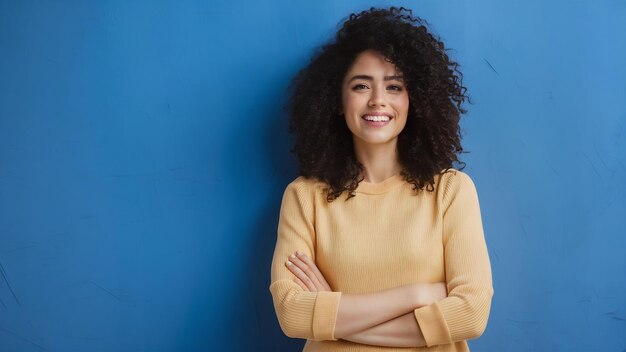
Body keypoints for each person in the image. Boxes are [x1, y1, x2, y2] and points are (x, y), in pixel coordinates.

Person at [269, 7, 493, 351]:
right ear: (338, 101)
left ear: (413, 100)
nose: (378, 100)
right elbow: (292, 315)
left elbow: (471, 315)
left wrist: (332, 316)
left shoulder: (451, 191)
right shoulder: (305, 196)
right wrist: (417, 295)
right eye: (361, 85)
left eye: (394, 86)